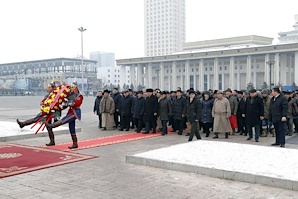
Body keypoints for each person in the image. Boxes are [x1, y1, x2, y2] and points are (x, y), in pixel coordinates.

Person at [45, 82, 83, 149]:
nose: (71, 89)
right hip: (70, 111)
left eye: (72, 88)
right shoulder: (71, 95)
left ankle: (52, 125)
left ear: (75, 88)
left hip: (75, 112)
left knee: (64, 120)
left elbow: (76, 104)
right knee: (71, 128)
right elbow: (66, 102)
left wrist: (69, 103)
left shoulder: (79, 96)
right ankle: (75, 143)